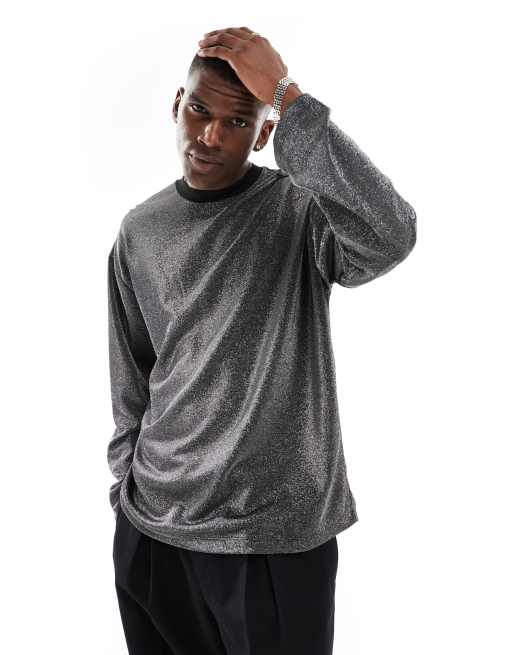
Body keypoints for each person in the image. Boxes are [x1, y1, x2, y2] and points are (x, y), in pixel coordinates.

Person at [107, 26, 417, 655]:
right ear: (177, 104)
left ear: (263, 133)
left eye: (236, 121)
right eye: (199, 110)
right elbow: (133, 372)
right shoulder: (140, 230)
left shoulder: (300, 213)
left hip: (271, 538)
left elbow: (391, 234)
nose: (210, 135)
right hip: (153, 530)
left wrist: (288, 96)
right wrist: (124, 488)